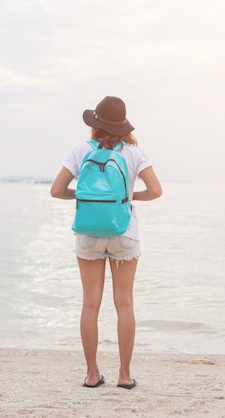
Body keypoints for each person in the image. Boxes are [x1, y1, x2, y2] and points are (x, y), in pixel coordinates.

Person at [50, 96, 162, 389]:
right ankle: (125, 376)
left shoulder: (79, 151)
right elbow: (155, 191)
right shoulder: (135, 153)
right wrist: (126, 196)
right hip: (124, 232)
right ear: (123, 125)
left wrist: (86, 197)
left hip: (88, 233)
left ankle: (91, 374)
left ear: (95, 124)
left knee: (90, 305)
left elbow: (56, 191)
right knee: (124, 304)